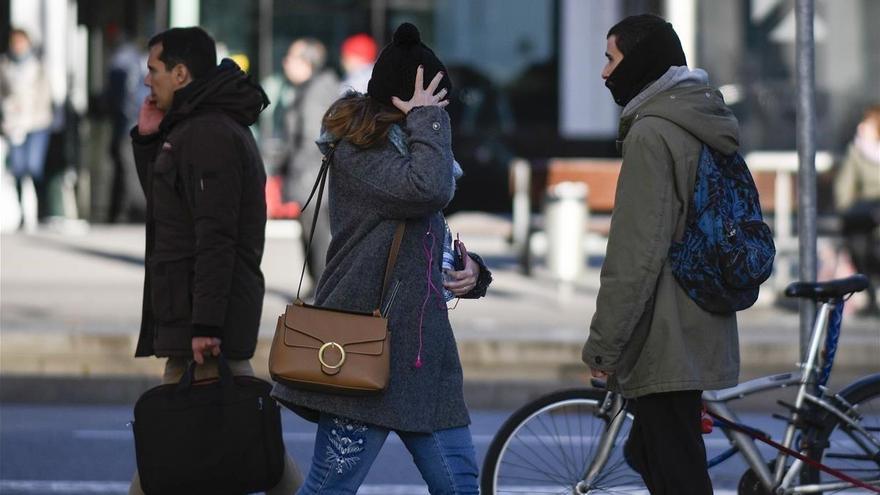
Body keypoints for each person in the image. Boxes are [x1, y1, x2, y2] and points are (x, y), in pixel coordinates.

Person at [271, 23, 492, 494]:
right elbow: (425, 190)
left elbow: (424, 234)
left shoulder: (414, 149)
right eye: (438, 103)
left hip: (423, 360)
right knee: (329, 488)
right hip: (366, 352)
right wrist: (428, 120)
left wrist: (471, 272)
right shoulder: (359, 151)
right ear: (406, 102)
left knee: (460, 487)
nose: (443, 116)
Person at [127, 26, 302, 494]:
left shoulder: (207, 134)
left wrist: (205, 323)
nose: (147, 81)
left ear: (181, 74)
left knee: (188, 448)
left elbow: (215, 237)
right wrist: (148, 140)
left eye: (154, 70)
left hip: (204, 318)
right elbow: (172, 209)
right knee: (243, 442)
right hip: (197, 314)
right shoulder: (194, 127)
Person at [582, 14, 741, 495]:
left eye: (611, 59)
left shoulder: (652, 133)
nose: (605, 73)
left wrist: (603, 347)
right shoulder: (700, 118)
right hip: (699, 316)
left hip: (665, 331)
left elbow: (635, 254)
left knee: (676, 471)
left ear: (641, 63)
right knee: (647, 452)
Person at [277, 38, 340, 288]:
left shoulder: (316, 92)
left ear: (307, 63)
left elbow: (314, 141)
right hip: (313, 180)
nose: (285, 64)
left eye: (291, 58)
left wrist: (299, 178)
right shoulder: (312, 89)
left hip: (314, 182)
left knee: (317, 240)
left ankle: (321, 297)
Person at [0, 28, 53, 228]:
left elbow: (46, 95)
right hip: (14, 124)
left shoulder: (37, 67)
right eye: (15, 42)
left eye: (21, 42)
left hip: (37, 123)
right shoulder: (4, 66)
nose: (18, 46)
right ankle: (23, 213)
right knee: (18, 168)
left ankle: (41, 210)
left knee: (34, 167)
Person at [834, 104, 880, 316]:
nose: (862, 127)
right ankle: (871, 297)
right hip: (866, 221)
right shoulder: (856, 152)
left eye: (868, 123)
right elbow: (844, 193)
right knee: (859, 242)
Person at [104, 26, 148, 223]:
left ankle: (127, 211)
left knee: (127, 168)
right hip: (138, 121)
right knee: (128, 167)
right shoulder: (139, 60)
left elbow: (122, 97)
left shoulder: (122, 60)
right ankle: (123, 211)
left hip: (129, 123)